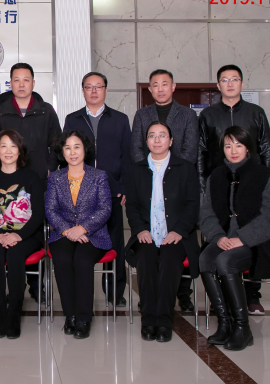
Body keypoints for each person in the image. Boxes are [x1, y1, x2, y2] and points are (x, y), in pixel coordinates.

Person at [198, 65, 270, 315]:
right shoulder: (208, 115)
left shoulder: (256, 113)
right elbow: (201, 153)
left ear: (242, 83)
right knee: (216, 242)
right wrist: (204, 187)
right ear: (218, 85)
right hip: (219, 185)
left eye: (234, 79)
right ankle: (221, 298)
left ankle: (252, 295)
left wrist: (267, 180)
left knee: (251, 237)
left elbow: (266, 149)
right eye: (225, 80)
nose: (230, 83)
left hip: (251, 186)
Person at [199, 126, 270, 351]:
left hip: (255, 242)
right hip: (223, 238)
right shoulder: (216, 176)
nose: (233, 150)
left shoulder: (264, 175)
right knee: (206, 258)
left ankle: (242, 327)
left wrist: (243, 238)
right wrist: (218, 237)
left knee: (225, 260)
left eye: (238, 145)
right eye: (228, 146)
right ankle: (224, 323)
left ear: (247, 148)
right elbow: (206, 214)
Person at [0, 62, 61, 303]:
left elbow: (57, 143)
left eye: (26, 80)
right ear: (10, 83)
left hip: (38, 182)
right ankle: (12, 285)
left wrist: (49, 169)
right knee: (9, 232)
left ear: (33, 83)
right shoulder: (1, 112)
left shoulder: (46, 110)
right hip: (7, 185)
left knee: (33, 231)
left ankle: (36, 286)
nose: (21, 84)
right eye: (16, 80)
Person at [124, 121, 200, 343]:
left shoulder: (186, 168)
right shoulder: (135, 169)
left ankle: (165, 320)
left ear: (171, 141)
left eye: (162, 135)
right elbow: (132, 206)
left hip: (176, 235)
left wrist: (179, 231)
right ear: (146, 141)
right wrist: (140, 230)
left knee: (169, 260)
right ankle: (149, 319)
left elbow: (192, 205)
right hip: (145, 234)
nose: (157, 140)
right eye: (152, 135)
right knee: (146, 259)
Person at [131, 69, 199, 313]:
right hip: (149, 176)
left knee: (176, 245)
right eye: (155, 85)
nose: (160, 88)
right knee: (149, 253)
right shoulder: (142, 114)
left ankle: (183, 294)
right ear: (150, 89)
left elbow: (190, 150)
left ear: (173, 86)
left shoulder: (188, 115)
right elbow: (136, 148)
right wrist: (146, 173)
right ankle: (150, 297)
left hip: (179, 182)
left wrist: (174, 172)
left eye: (165, 84)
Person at [63, 72, 131, 308]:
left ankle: (115, 291)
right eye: (89, 87)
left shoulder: (120, 119)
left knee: (114, 241)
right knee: (80, 242)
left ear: (105, 90)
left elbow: (127, 156)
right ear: (82, 90)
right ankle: (79, 289)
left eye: (98, 86)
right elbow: (65, 154)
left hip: (111, 191)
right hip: (79, 193)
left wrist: (123, 186)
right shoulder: (72, 119)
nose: (94, 91)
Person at [46, 130, 113, 339]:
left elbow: (105, 208)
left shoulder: (99, 176)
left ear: (85, 149)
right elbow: (50, 209)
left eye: (77, 147)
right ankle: (70, 315)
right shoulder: (55, 178)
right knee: (62, 258)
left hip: (93, 234)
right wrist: (67, 230)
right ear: (62, 152)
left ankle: (84, 318)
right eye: (67, 148)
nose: (72, 152)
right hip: (62, 233)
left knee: (82, 260)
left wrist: (82, 228)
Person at [0, 130, 44, 339]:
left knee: (16, 254)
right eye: (3, 146)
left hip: (27, 235)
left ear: (20, 150)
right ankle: (0, 312)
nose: (8, 151)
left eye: (13, 146)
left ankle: (15, 312)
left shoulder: (31, 177)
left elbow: (38, 214)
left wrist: (19, 236)